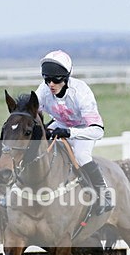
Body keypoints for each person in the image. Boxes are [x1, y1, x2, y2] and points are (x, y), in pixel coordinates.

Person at [35, 50, 113, 216]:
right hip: (60, 124)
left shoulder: (81, 93)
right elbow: (32, 113)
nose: (51, 85)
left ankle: (104, 194)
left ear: (66, 77)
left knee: (81, 155)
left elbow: (98, 131)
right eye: (47, 79)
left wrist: (69, 133)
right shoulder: (42, 90)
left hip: (84, 129)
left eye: (56, 79)